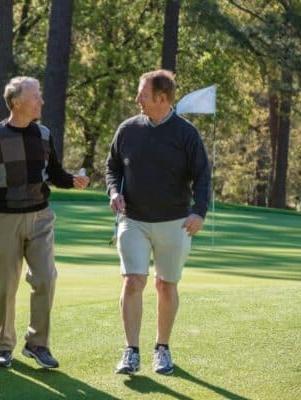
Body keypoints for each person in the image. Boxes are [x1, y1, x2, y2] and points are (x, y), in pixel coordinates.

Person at [0, 76, 89, 369]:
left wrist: (73, 181)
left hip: (40, 217)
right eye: (36, 96)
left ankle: (37, 344)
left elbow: (56, 173)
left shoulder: (44, 134)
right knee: (5, 286)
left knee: (46, 278)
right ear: (17, 102)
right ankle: (4, 346)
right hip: (4, 219)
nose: (41, 101)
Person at [106, 69, 211, 375]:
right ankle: (131, 351)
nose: (137, 98)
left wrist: (199, 211)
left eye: (143, 93)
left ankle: (162, 348)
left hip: (175, 222)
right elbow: (112, 167)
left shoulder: (186, 134)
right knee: (133, 280)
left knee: (166, 285)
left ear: (162, 98)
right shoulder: (127, 130)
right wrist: (114, 192)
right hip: (133, 220)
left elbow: (202, 176)